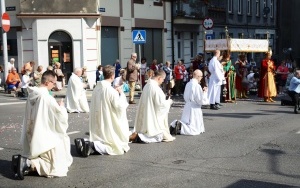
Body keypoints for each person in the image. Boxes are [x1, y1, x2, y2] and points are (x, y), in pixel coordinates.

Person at [12, 70, 73, 180]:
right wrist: (62, 108)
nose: (54, 85)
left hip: (32, 132)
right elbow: (60, 117)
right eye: (54, 83)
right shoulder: (47, 98)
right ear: (47, 82)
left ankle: (25, 162)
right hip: (44, 134)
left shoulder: (32, 94)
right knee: (57, 166)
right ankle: (28, 163)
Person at [74, 65, 130, 156]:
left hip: (98, 117)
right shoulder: (110, 90)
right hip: (107, 119)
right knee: (114, 146)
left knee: (100, 137)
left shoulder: (97, 87)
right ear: (112, 75)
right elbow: (119, 107)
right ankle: (91, 145)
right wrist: (121, 94)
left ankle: (84, 142)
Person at [129, 70, 175, 143]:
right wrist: (168, 102)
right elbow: (160, 105)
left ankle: (138, 135)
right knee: (160, 136)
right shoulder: (155, 88)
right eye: (163, 79)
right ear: (159, 78)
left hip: (147, 113)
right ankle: (139, 137)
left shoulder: (147, 85)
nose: (162, 81)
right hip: (152, 116)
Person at [170, 69, 205, 135]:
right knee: (193, 128)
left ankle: (177, 125)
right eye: (201, 76)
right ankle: (180, 126)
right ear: (197, 76)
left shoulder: (188, 84)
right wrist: (205, 94)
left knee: (186, 121)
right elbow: (199, 99)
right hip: (194, 107)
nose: (201, 78)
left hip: (187, 105)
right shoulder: (197, 86)